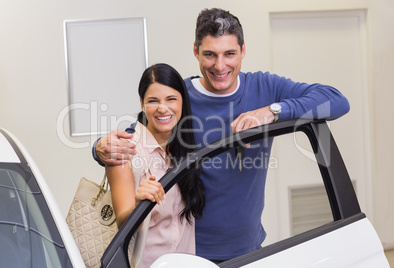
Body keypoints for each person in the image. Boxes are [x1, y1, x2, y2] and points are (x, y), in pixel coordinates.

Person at [93, 8, 350, 263]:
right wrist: (98, 148)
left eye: (229, 54)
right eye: (210, 54)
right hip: (191, 253)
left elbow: (336, 100)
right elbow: (138, 135)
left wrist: (271, 112)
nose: (220, 65)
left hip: (250, 249)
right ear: (195, 51)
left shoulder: (265, 88)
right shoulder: (180, 97)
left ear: (243, 50)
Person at [106, 63, 205, 267]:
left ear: (182, 103)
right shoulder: (126, 151)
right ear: (142, 103)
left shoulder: (186, 147)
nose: (162, 108)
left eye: (171, 99)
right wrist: (139, 203)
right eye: (153, 101)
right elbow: (122, 225)